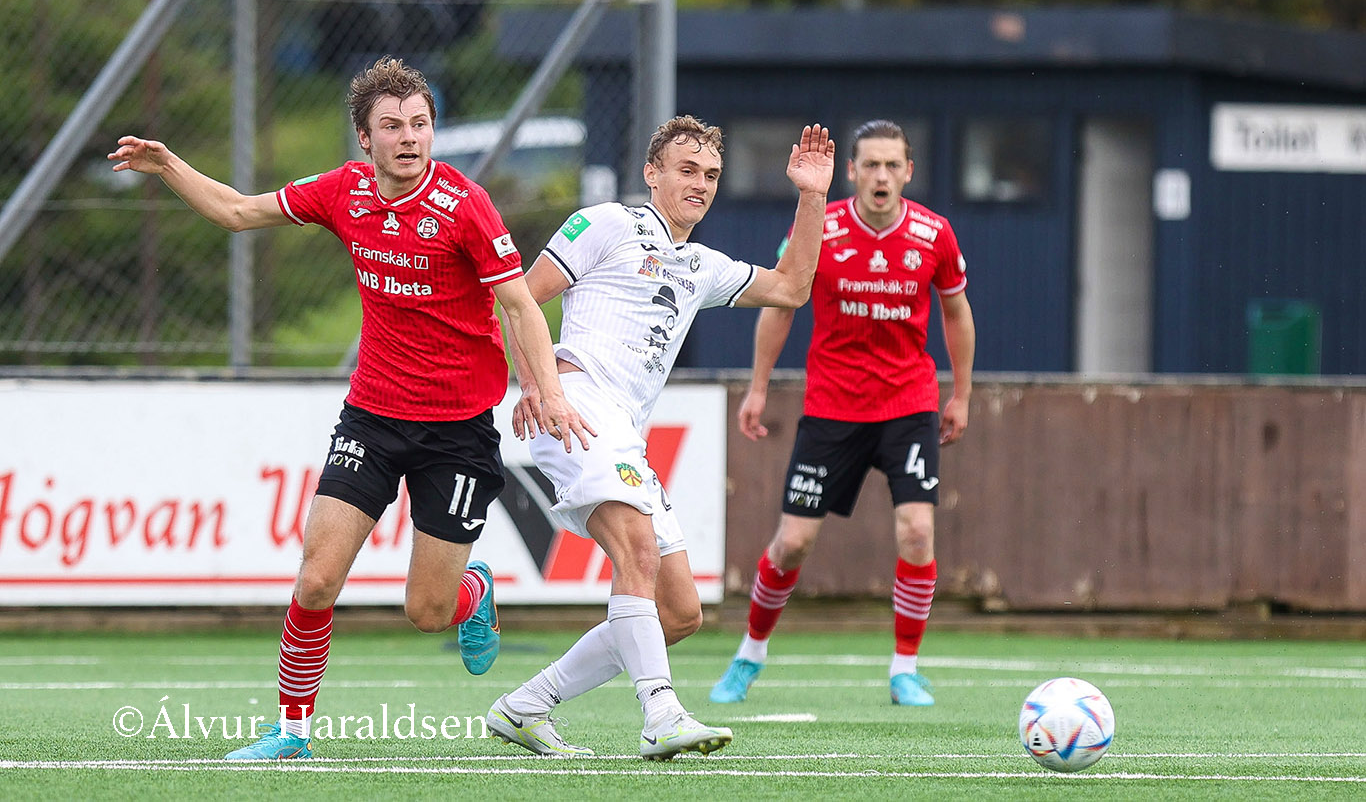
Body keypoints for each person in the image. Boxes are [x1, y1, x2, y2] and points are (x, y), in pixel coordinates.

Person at [108, 56, 590, 760]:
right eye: (392, 125)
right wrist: (169, 166)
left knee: (427, 611)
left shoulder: (466, 206)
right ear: (365, 138)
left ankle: (472, 591)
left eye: (419, 123)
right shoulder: (344, 190)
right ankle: (291, 733)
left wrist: (546, 390)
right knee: (316, 577)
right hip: (372, 416)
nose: (409, 137)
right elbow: (238, 212)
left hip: (457, 430)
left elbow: (518, 304)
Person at [485, 116, 835, 760]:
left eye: (711, 175)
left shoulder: (702, 265)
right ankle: (661, 716)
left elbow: (792, 288)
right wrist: (535, 385)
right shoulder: (606, 224)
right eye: (686, 170)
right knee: (638, 554)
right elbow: (520, 298)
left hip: (623, 430)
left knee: (679, 611)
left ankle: (526, 705)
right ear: (652, 173)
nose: (700, 184)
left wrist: (812, 195)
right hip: (577, 406)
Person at [710, 119, 975, 708]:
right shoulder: (821, 230)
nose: (882, 175)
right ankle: (750, 655)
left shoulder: (934, 233)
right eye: (871, 164)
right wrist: (758, 388)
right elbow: (780, 304)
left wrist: (960, 394)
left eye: (892, 165)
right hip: (833, 405)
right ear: (851, 171)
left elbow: (956, 313)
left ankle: (905, 669)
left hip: (908, 404)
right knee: (793, 543)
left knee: (917, 530)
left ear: (908, 172)